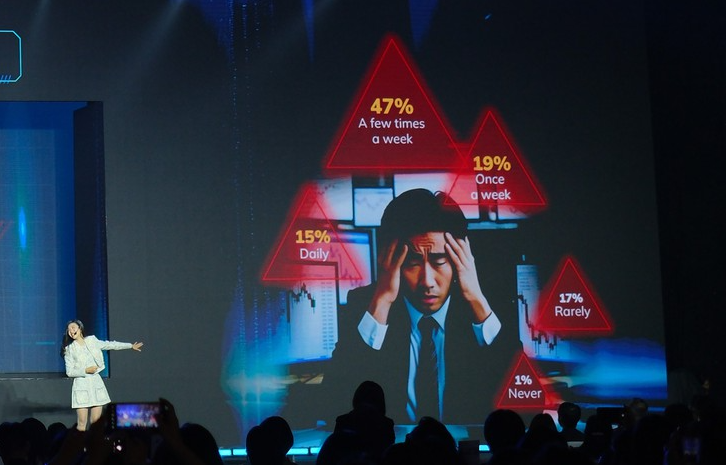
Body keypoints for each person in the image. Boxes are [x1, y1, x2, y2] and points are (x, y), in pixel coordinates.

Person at [324, 188, 520, 424]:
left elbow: (521, 407)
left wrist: (476, 301)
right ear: (391, 260)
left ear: (460, 258)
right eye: (412, 263)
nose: (427, 281)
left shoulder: (487, 306)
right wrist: (382, 300)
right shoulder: (365, 305)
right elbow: (333, 404)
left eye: (439, 261)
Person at [61, 319, 143, 431]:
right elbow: (69, 372)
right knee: (82, 422)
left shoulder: (92, 341)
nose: (71, 331)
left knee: (96, 423)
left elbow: (110, 345)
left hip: (96, 383)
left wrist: (130, 346)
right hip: (81, 385)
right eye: (69, 329)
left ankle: (94, 442)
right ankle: (80, 442)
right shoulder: (69, 349)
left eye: (73, 327)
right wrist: (85, 370)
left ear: (80, 328)